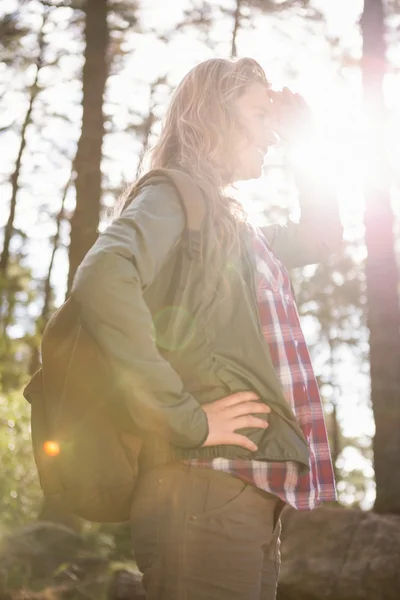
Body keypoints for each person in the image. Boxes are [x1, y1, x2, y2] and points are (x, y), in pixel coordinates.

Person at [71, 58, 341, 600]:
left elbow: (320, 238)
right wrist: (183, 417)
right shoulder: (176, 194)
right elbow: (102, 276)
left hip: (243, 494)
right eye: (259, 116)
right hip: (202, 487)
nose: (269, 134)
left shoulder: (236, 231)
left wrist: (304, 142)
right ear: (213, 117)